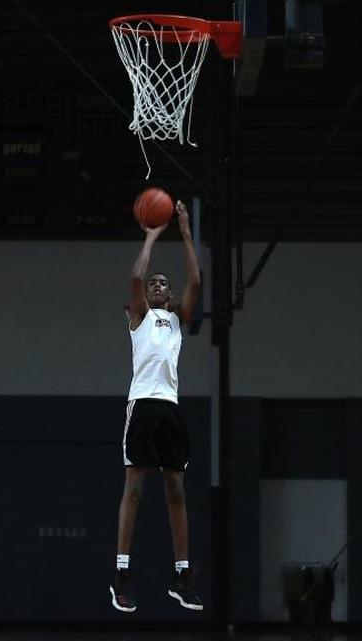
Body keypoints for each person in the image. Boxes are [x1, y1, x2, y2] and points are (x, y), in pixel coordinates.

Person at [109, 199, 203, 613]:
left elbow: (196, 281)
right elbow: (134, 275)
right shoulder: (139, 317)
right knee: (134, 489)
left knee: (176, 490)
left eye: (165, 282)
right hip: (142, 405)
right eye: (155, 283)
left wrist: (185, 232)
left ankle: (182, 575)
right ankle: (121, 574)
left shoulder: (179, 319)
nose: (160, 284)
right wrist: (150, 234)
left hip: (170, 407)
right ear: (145, 297)